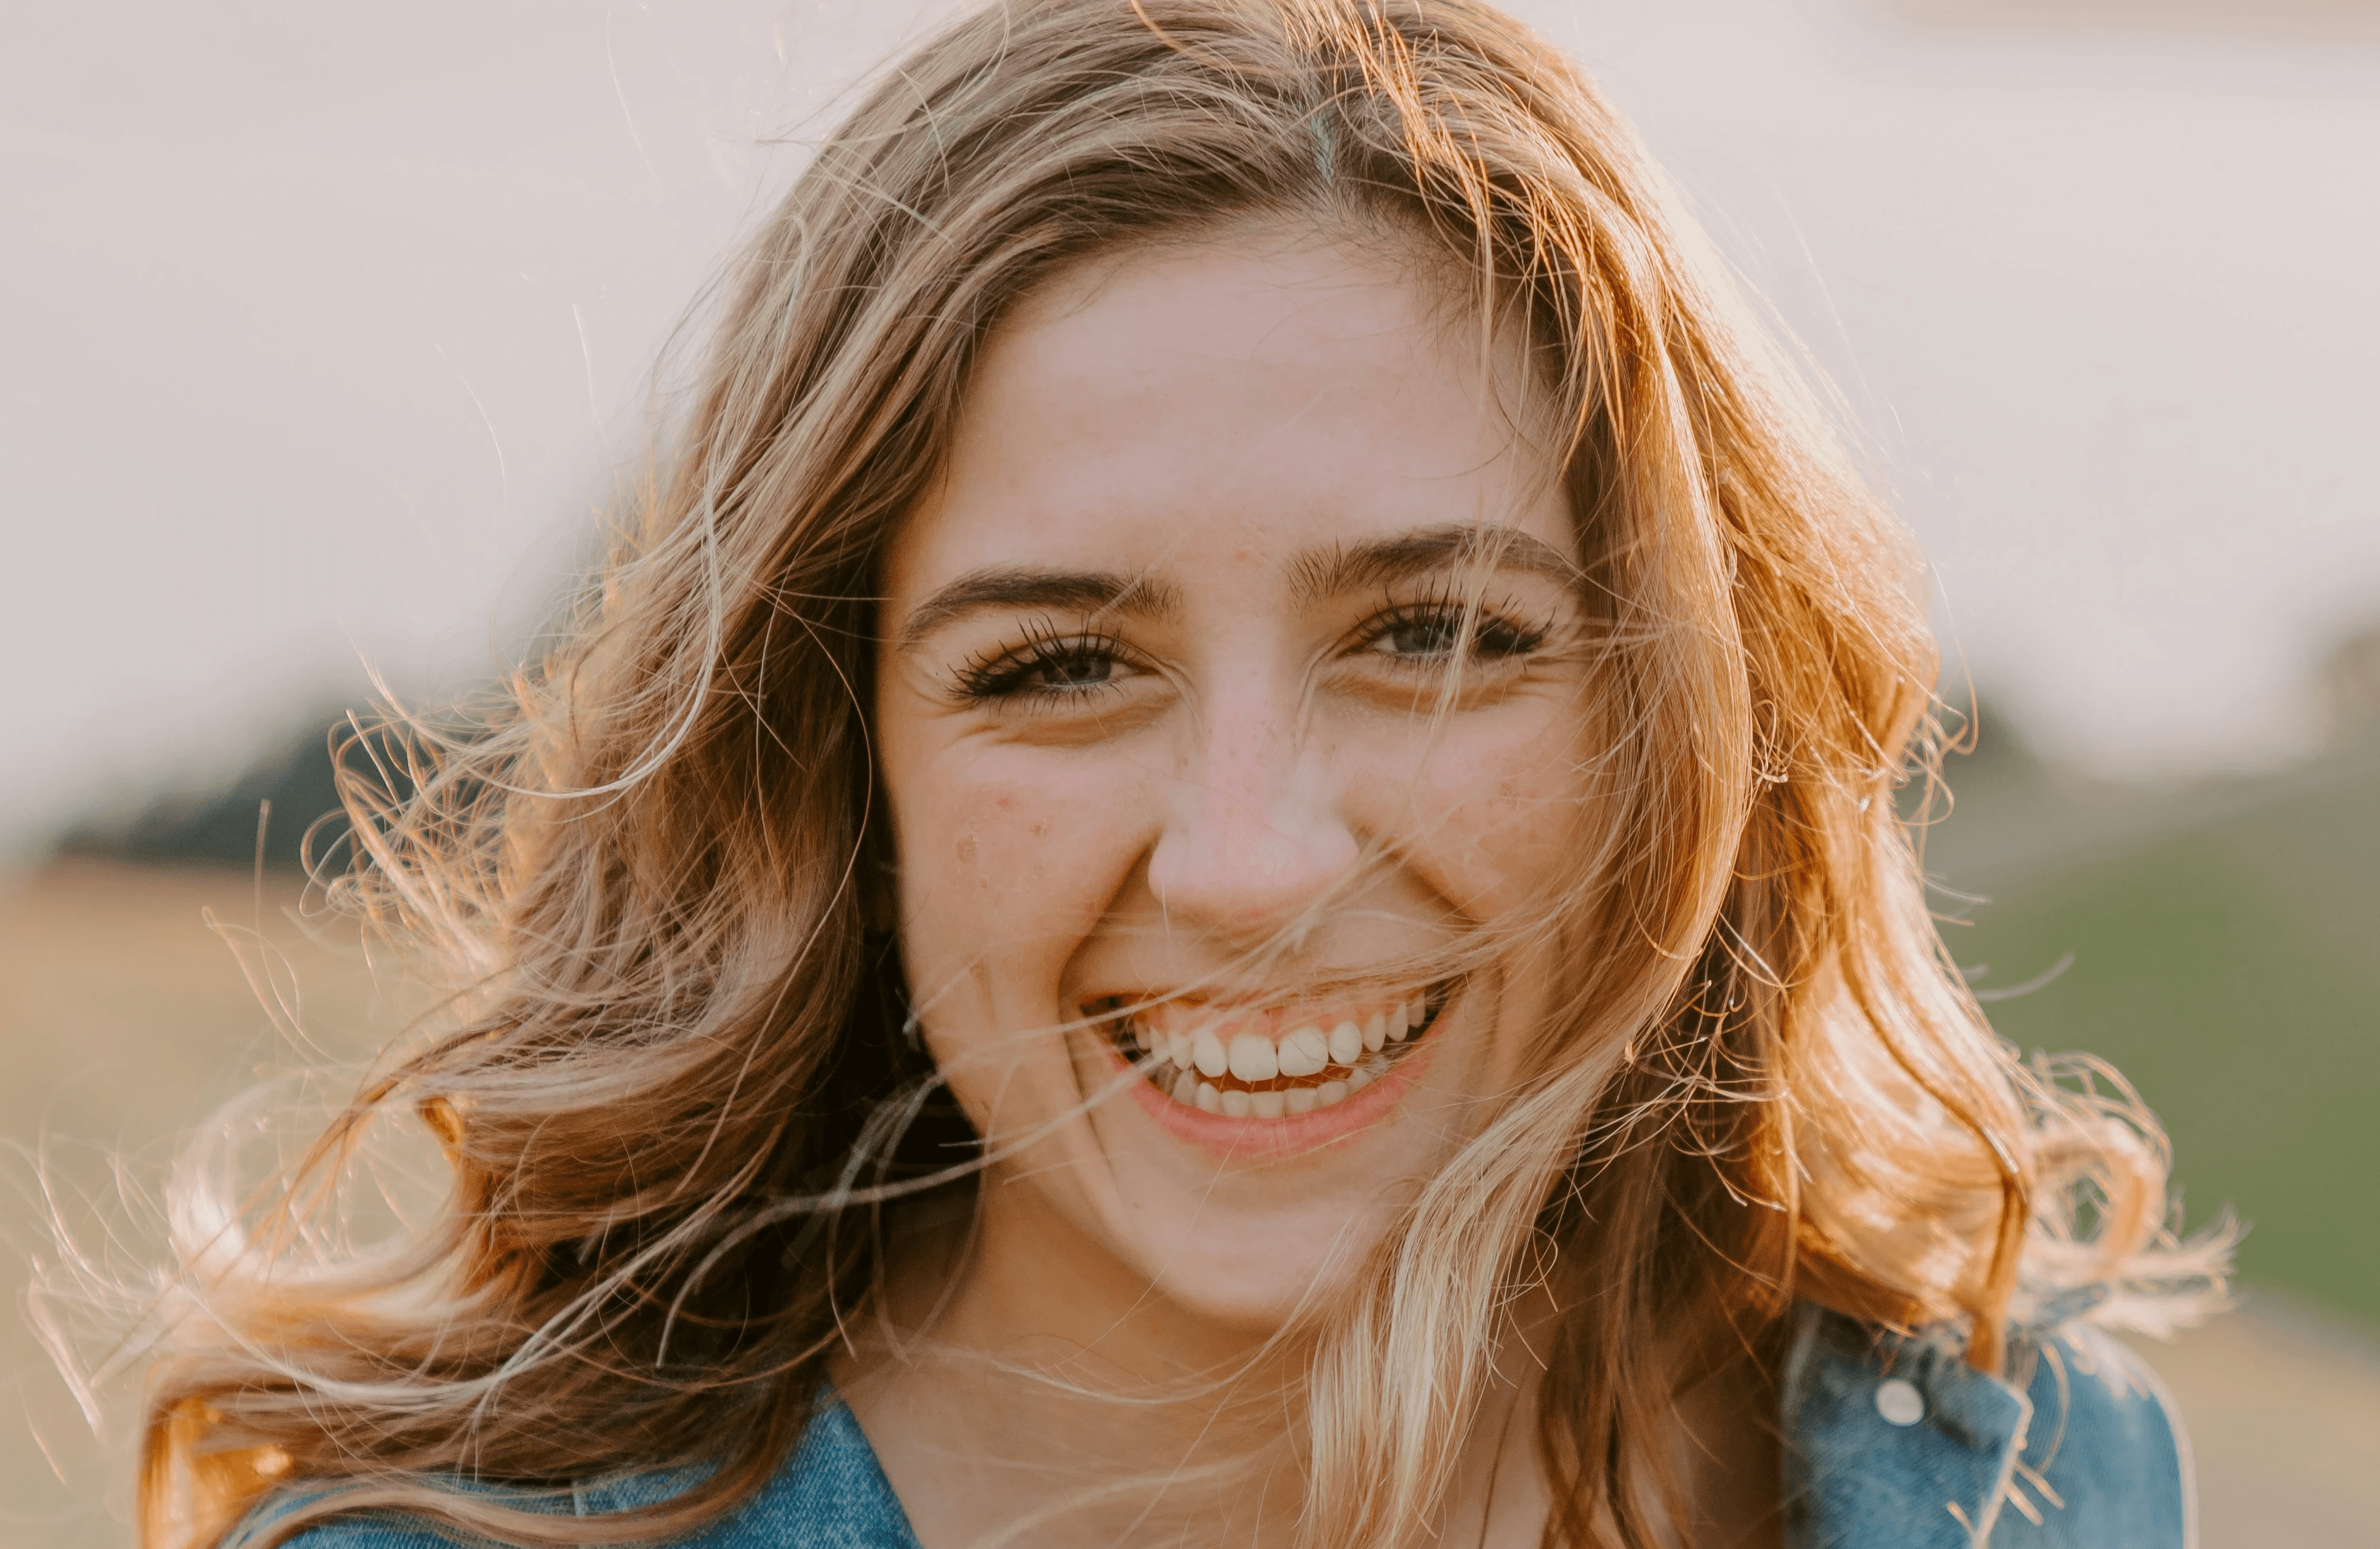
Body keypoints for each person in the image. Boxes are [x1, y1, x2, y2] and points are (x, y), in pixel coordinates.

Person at [93, 2, 2226, 1545]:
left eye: (1433, 634)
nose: (1242, 860)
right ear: (846, 767)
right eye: (1055, 666)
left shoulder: (2019, 1476)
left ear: (1676, 709)